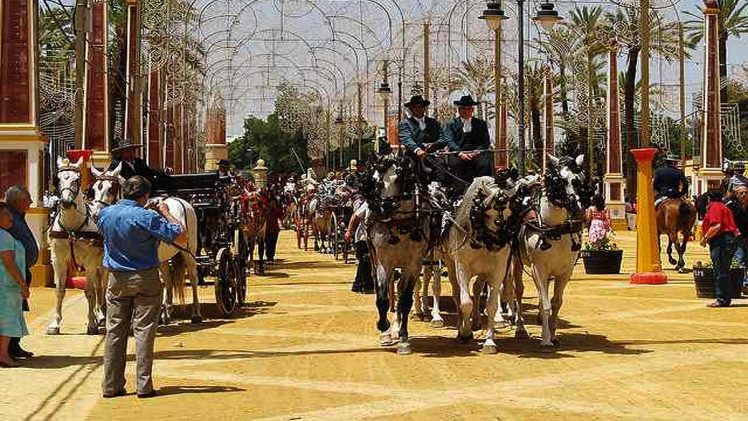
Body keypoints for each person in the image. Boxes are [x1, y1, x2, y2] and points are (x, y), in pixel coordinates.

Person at [98, 176, 187, 398]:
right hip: (144, 277)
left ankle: (111, 385)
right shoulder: (146, 216)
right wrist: (164, 211)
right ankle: (143, 385)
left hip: (116, 278)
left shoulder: (105, 214)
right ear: (146, 195)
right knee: (144, 332)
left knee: (114, 333)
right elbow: (179, 234)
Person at [5, 186, 38, 360]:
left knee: (18, 309)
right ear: (17, 201)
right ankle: (8, 348)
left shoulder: (18, 216)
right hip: (12, 274)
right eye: (28, 199)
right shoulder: (7, 217)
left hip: (22, 271)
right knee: (11, 310)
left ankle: (14, 345)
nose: (31, 202)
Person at [441, 95, 491, 194]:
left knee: (484, 164)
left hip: (476, 153)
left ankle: (481, 191)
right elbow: (449, 140)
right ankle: (458, 193)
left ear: (472, 110)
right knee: (456, 164)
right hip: (458, 153)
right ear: (459, 110)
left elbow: (485, 142)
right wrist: (460, 154)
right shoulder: (451, 124)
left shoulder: (480, 124)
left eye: (468, 109)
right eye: (463, 109)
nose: (466, 111)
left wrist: (476, 152)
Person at [0, 202, 29, 367]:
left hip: (6, 285)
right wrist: (22, 283)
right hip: (7, 286)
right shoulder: (4, 236)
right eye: (6, 215)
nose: (10, 218)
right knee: (7, 320)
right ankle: (3, 354)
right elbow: (9, 262)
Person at [700, 188, 740, 308]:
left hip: (721, 240)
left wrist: (705, 238)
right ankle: (724, 297)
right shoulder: (724, 207)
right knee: (724, 270)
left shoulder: (715, 207)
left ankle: (722, 298)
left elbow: (716, 226)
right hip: (728, 240)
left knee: (720, 270)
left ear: (708, 198)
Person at [398, 95, 445, 160]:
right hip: (413, 158)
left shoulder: (433, 122)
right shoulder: (405, 123)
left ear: (425, 108)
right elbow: (406, 138)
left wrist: (434, 145)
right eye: (415, 107)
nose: (419, 109)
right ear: (411, 109)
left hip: (432, 158)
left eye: (421, 106)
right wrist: (417, 150)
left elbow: (443, 138)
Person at [345, 201, 374, 294]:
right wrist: (349, 231)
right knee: (365, 261)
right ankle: (367, 286)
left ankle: (357, 285)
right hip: (363, 238)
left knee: (364, 263)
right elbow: (355, 216)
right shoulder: (367, 204)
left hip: (376, 238)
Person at [727, 185, 748, 294]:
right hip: (737, 237)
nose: (744, 195)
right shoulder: (731, 206)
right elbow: (728, 221)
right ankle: (743, 283)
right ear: (736, 194)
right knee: (740, 258)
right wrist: (736, 232)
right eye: (741, 193)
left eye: (746, 192)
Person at [264, 196, 283, 264]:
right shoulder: (266, 210)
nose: (272, 204)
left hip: (275, 229)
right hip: (267, 229)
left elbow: (281, 215)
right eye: (271, 203)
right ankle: (268, 257)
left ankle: (271, 258)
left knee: (273, 244)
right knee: (267, 243)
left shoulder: (277, 210)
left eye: (274, 203)